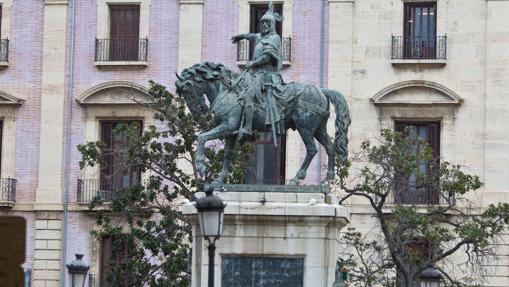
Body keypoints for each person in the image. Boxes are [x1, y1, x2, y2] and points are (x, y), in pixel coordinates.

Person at [231, 1, 284, 142]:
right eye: (263, 23)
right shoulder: (259, 37)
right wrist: (240, 36)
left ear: (272, 25)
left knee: (249, 96)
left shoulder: (274, 38)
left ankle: (247, 129)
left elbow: (267, 57)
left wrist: (252, 63)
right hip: (254, 73)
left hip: (265, 74)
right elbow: (250, 35)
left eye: (268, 23)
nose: (265, 26)